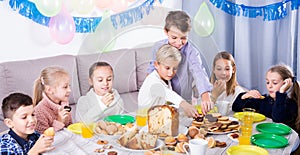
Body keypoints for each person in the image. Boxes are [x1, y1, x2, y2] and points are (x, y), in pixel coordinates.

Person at [147, 10, 213, 115]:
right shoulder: (158, 48)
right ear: (166, 31)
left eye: (183, 38)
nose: (178, 43)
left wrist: (205, 94)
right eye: (174, 38)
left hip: (184, 102)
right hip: (160, 101)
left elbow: (198, 71)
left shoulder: (191, 52)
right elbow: (151, 73)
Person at [232, 64, 300, 134]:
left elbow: (278, 121)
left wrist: (281, 93)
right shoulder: (264, 100)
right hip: (263, 136)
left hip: (281, 139)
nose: (269, 86)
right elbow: (236, 108)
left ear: (285, 84)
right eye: (267, 82)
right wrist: (245, 96)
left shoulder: (291, 104)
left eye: (274, 83)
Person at [139, 44, 199, 117]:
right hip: (146, 120)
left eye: (175, 68)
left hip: (158, 116)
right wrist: (184, 104)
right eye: (167, 68)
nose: (171, 73)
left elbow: (167, 102)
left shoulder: (166, 79)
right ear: (156, 64)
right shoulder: (152, 81)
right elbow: (166, 93)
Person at [33, 66, 72, 133]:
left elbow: (70, 127)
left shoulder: (64, 103)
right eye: (65, 87)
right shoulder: (39, 112)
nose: (69, 90)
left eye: (69, 86)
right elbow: (44, 139)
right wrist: (59, 122)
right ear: (49, 90)